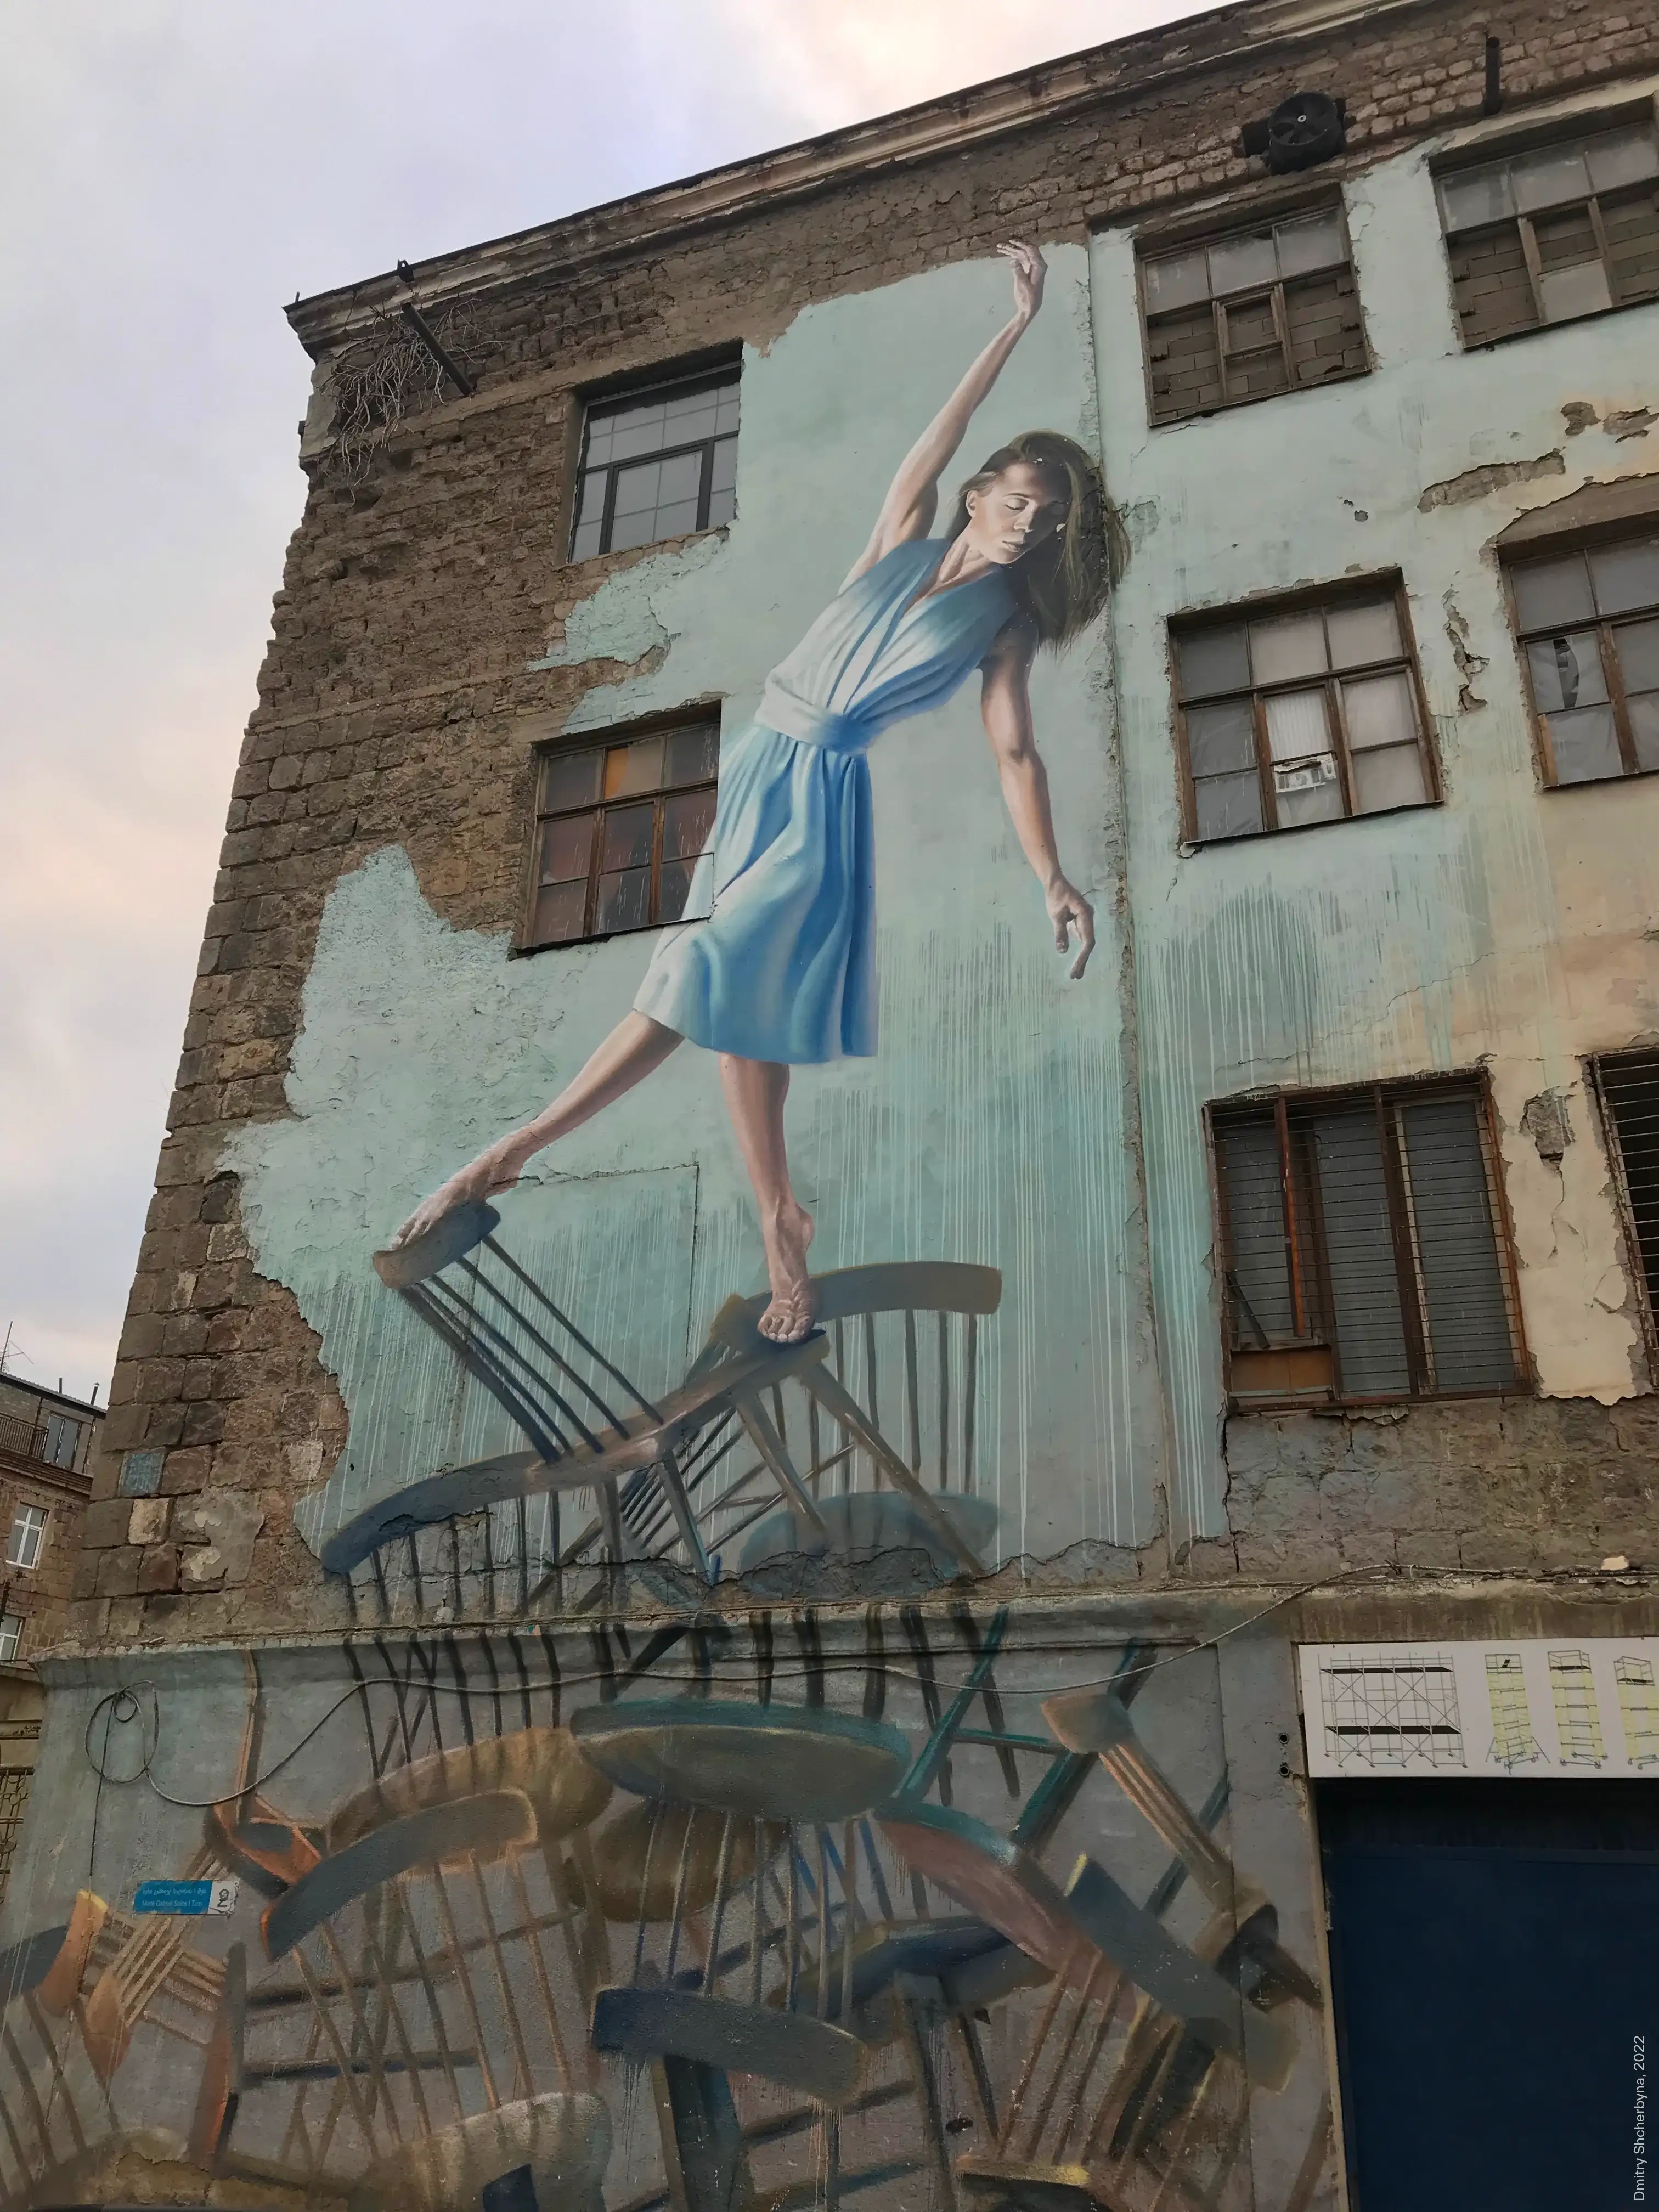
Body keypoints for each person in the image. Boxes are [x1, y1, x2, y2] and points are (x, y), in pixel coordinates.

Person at [390, 240, 1109, 1344]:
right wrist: (1010, 329)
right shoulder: (899, 543)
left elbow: (1017, 754)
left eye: (1043, 519)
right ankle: (782, 1222)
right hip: (760, 772)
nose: (1026, 526)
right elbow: (938, 439)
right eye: (1017, 502)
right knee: (740, 1016)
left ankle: (511, 1155)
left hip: (825, 799)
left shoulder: (1004, 623)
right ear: (979, 495)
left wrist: (1052, 875)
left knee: (707, 974)